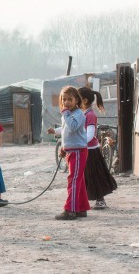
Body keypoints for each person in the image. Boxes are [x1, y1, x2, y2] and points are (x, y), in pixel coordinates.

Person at [47, 86, 90, 220]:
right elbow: (66, 130)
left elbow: (72, 127)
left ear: (76, 100)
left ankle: (70, 210)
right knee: (79, 180)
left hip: (78, 151)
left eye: (69, 99)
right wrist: (62, 144)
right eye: (64, 99)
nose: (66, 102)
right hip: (71, 151)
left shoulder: (78, 114)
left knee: (73, 180)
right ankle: (81, 208)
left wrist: (65, 114)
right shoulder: (68, 115)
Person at [78, 86, 117, 210]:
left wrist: (79, 142)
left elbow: (90, 135)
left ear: (84, 100)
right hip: (86, 149)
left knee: (94, 175)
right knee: (87, 176)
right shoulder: (84, 114)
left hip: (90, 150)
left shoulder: (90, 115)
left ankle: (100, 200)